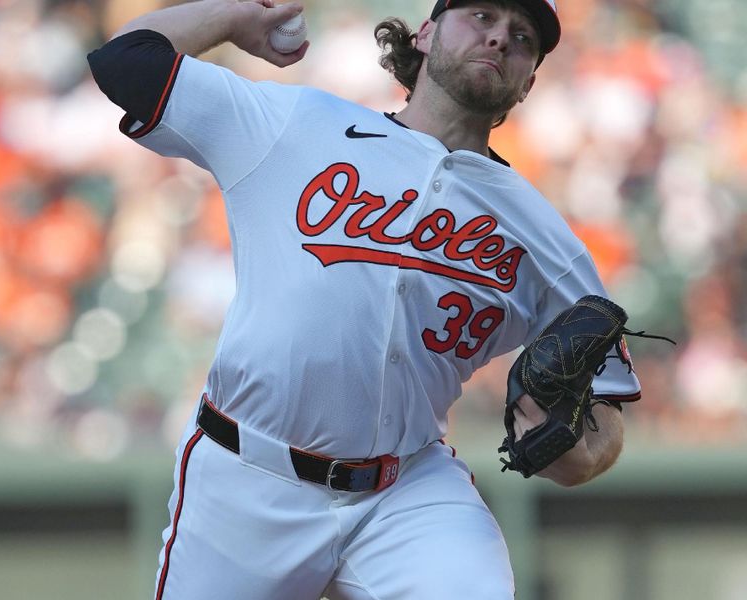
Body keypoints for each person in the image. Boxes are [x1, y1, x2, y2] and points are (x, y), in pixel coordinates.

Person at [87, 1, 641, 598]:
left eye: (524, 36)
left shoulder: (544, 237)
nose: (501, 36)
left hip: (406, 491)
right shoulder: (295, 124)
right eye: (481, 15)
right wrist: (236, 15)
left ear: (529, 82)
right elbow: (126, 61)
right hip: (246, 476)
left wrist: (585, 456)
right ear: (425, 33)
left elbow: (605, 411)